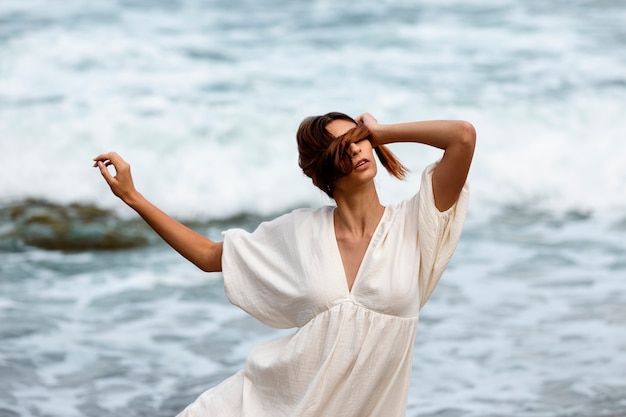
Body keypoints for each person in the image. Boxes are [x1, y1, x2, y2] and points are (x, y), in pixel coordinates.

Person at [93, 112, 475, 417]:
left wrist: (380, 131)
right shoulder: (301, 233)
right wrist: (133, 197)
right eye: (343, 147)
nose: (358, 150)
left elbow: (461, 136)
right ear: (320, 169)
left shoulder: (415, 223)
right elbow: (210, 257)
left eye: (359, 139)